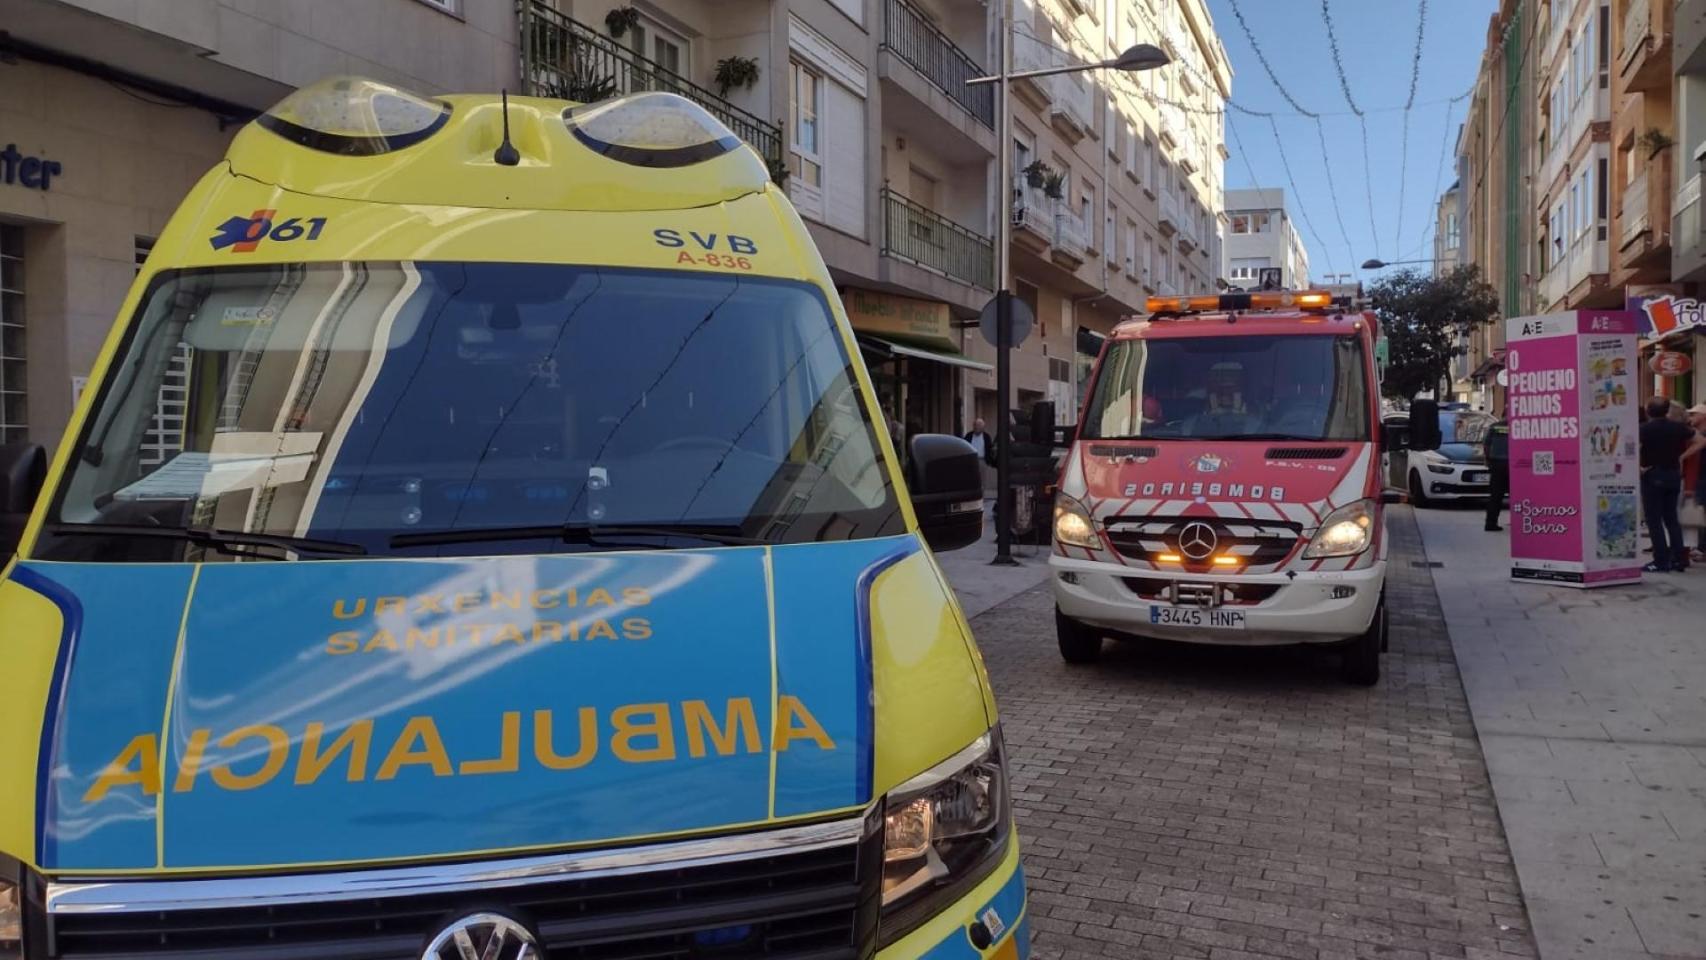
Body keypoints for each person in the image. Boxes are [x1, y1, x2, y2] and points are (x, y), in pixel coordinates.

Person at [1638, 397, 1705, 572]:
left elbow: (1631, 448)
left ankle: (1660, 561)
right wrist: (1682, 456)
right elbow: (1701, 441)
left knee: (1654, 520)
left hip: (1652, 474)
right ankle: (1679, 559)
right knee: (1671, 519)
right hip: (1673, 475)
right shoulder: (1679, 428)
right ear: (1666, 410)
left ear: (1648, 411)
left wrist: (1640, 466)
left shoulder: (1644, 429)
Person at [1483, 416, 1511, 532]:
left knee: (1495, 496)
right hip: (1513, 465)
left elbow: (1486, 445)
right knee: (1518, 495)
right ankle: (1518, 521)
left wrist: (1488, 459)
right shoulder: (1520, 426)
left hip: (1497, 463)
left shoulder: (1495, 427)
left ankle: (1490, 523)